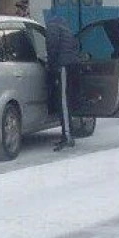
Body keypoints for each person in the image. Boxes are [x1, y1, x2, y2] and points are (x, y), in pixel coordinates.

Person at [45, 15, 80, 151]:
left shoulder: (52, 27)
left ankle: (67, 137)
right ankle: (68, 134)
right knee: (67, 101)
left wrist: (52, 65)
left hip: (63, 66)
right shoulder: (65, 27)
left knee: (64, 103)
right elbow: (75, 45)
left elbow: (52, 46)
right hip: (73, 64)